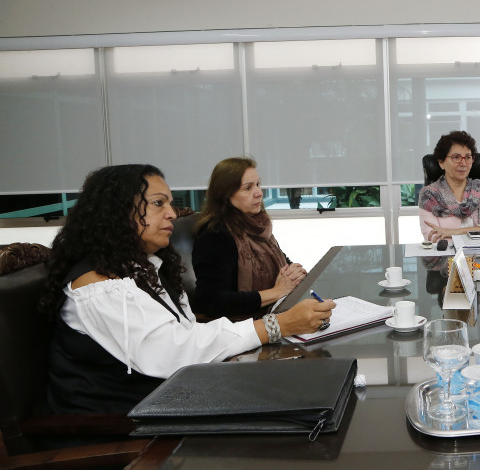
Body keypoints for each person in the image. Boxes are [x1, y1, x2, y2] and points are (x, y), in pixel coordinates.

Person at [40, 164, 335, 414]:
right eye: (158, 203)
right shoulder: (99, 286)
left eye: (169, 203)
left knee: (308, 390)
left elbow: (188, 334)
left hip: (168, 400)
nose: (171, 213)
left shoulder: (146, 267)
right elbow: (174, 354)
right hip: (123, 423)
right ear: (118, 212)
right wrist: (275, 325)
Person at [192, 157, 307, 317]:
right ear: (226, 196)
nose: (259, 193)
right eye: (248, 188)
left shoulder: (258, 225)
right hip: (244, 329)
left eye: (258, 184)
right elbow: (210, 301)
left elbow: (284, 264)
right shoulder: (215, 236)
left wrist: (295, 273)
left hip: (276, 315)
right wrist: (277, 291)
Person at [419, 131, 480, 242]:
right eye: (456, 157)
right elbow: (434, 238)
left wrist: (452, 233)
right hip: (448, 258)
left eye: (467, 157)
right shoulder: (429, 196)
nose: (463, 163)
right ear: (441, 162)